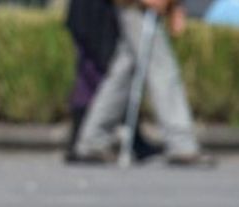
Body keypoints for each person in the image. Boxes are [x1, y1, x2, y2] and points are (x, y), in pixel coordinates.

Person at [73, 0, 215, 167]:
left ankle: (92, 140)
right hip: (137, 7)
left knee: (124, 73)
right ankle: (182, 144)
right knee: (162, 72)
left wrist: (175, 6)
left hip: (136, 7)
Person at [65, 0, 163, 164]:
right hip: (96, 12)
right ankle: (86, 137)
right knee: (99, 69)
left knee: (114, 71)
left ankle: (93, 138)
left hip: (104, 11)